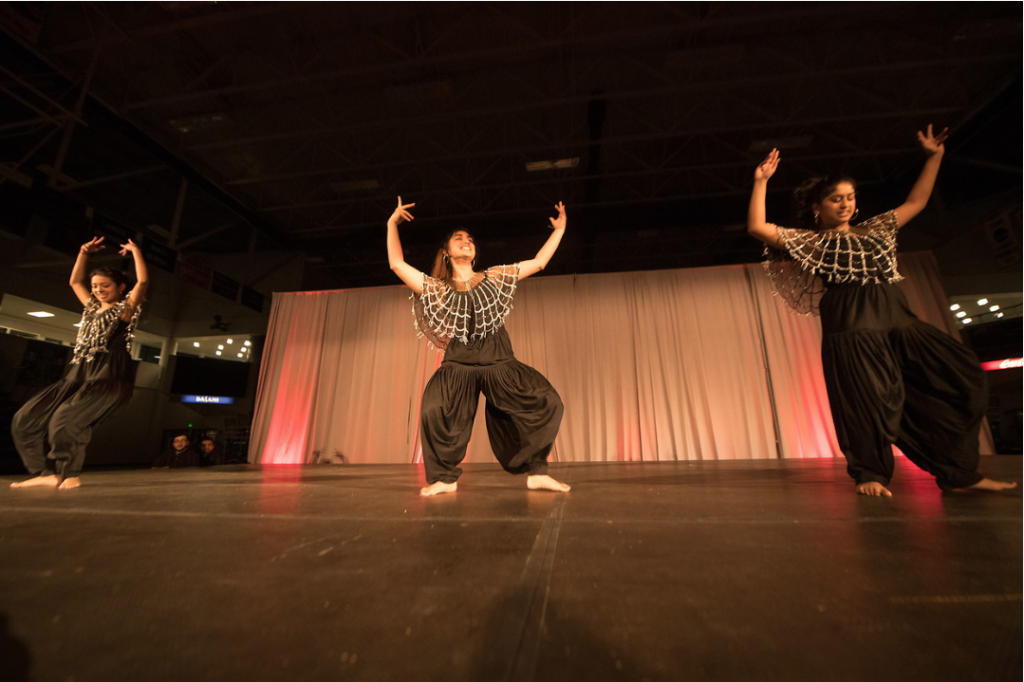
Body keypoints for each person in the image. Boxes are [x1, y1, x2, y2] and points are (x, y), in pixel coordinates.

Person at [747, 125, 1016, 497]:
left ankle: (958, 473)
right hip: (853, 323)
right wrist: (761, 181)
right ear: (817, 207)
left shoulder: (877, 230)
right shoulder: (816, 242)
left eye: (851, 197)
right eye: (836, 199)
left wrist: (934, 157)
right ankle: (870, 473)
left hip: (896, 316)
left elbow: (918, 202)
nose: (846, 204)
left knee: (961, 375)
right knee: (865, 399)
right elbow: (758, 227)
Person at [387, 197, 572, 496]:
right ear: (446, 252)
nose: (466, 241)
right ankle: (444, 478)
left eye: (470, 239)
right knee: (435, 410)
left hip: (499, 361)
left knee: (548, 402)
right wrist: (391, 224)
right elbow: (396, 264)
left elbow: (538, 263)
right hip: (459, 364)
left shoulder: (494, 277)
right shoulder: (438, 289)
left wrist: (560, 231)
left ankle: (536, 471)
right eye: (458, 239)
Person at [10, 236, 148, 490]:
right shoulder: (90, 308)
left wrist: (136, 251)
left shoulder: (125, 309)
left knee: (65, 421)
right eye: (95, 285)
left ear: (120, 288)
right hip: (80, 369)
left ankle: (70, 472)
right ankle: (46, 473)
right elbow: (75, 281)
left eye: (104, 285)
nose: (97, 290)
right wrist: (84, 253)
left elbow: (142, 281)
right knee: (25, 419)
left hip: (109, 371)